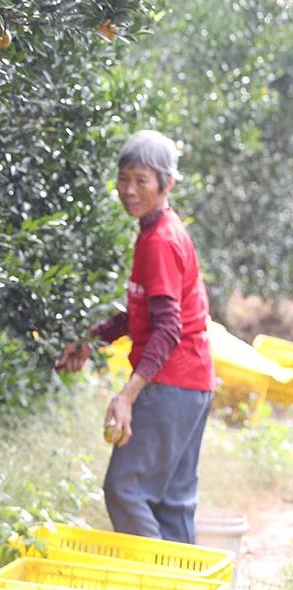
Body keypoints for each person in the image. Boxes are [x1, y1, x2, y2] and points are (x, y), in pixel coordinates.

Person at [58, 129, 213, 543]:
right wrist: (92, 339)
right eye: (123, 178)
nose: (128, 190)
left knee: (126, 490)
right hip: (194, 382)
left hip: (171, 383)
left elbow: (168, 328)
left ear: (167, 183)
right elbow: (143, 311)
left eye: (141, 180)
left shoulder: (159, 241)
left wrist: (127, 395)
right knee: (172, 502)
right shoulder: (158, 230)